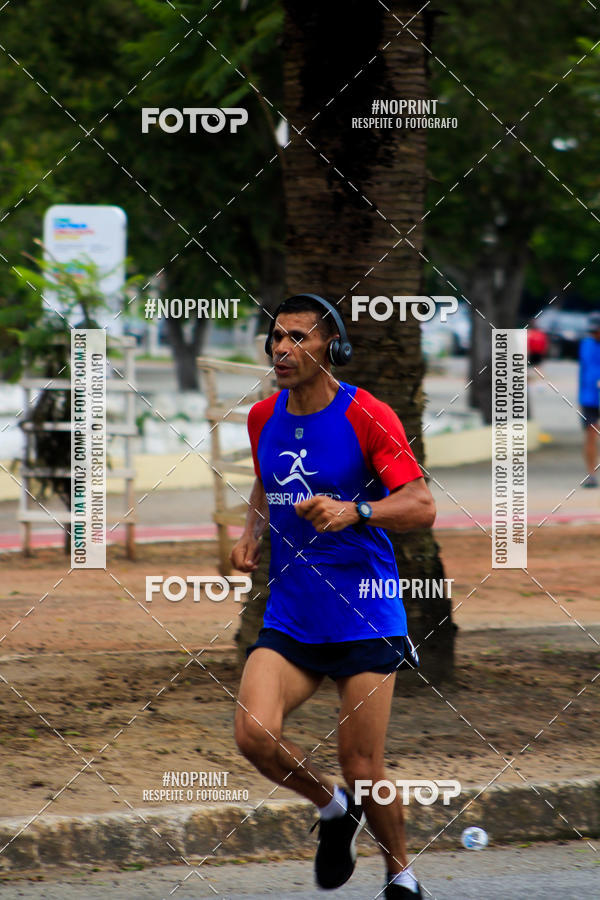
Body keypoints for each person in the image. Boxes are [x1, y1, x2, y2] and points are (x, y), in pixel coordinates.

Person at [231, 293, 436, 899]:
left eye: (298, 337)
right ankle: (331, 810)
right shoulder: (262, 416)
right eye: (275, 337)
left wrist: (357, 510)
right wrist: (249, 533)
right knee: (253, 735)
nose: (282, 349)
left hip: (364, 609)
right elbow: (265, 481)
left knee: (364, 768)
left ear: (331, 348)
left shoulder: (366, 414)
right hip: (293, 613)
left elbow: (421, 505)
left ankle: (401, 875)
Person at [578, 312, 600, 488]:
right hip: (589, 397)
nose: (594, 334)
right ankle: (591, 474)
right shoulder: (586, 344)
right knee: (590, 434)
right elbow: (583, 371)